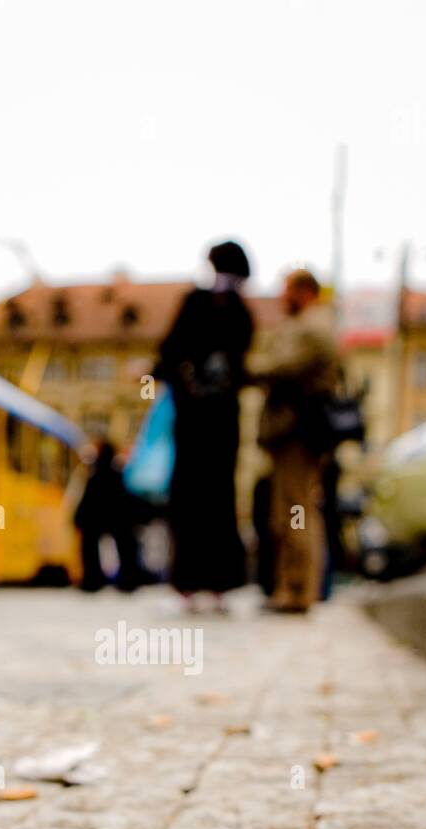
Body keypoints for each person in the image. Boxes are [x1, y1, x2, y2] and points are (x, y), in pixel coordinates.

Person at [155, 241, 254, 611]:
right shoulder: (238, 310)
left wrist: (157, 374)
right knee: (212, 501)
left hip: (202, 420)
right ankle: (212, 586)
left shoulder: (203, 305)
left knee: (197, 501)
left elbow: (170, 352)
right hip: (216, 421)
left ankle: (195, 585)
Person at [251, 269, 341, 612]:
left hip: (297, 432)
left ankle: (299, 590)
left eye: (286, 290)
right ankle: (291, 587)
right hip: (294, 432)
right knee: (291, 511)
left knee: (296, 512)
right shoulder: (312, 323)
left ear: (303, 291)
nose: (280, 297)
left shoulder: (312, 326)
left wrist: (250, 367)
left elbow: (282, 366)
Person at [73, 438, 140, 592]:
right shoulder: (119, 475)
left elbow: (87, 501)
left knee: (89, 544)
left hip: (96, 519)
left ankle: (92, 579)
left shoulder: (94, 476)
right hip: (117, 518)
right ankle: (129, 580)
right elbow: (126, 500)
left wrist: (78, 518)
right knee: (126, 545)